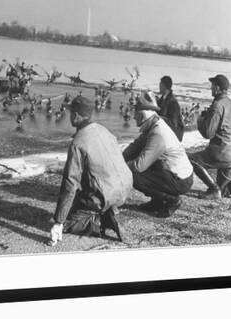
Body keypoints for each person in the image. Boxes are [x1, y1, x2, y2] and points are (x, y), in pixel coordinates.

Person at [50, 96, 132, 244]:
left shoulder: (78, 143)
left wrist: (58, 221)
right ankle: (109, 209)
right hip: (124, 189)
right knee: (80, 199)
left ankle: (102, 220)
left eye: (71, 113)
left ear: (75, 115)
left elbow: (70, 184)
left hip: (106, 194)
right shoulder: (104, 130)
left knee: (69, 223)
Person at [123, 91, 194, 217]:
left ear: (142, 115)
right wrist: (120, 158)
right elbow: (136, 145)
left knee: (133, 175)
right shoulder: (155, 124)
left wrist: (122, 166)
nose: (134, 117)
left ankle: (170, 200)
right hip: (181, 175)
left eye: (136, 114)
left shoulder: (157, 133)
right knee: (142, 161)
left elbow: (140, 166)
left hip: (180, 180)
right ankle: (157, 201)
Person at [189, 74, 231, 199]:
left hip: (220, 152)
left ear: (217, 88)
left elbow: (208, 134)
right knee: (223, 191)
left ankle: (213, 189)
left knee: (190, 160)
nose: (210, 88)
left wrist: (200, 119)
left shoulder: (217, 105)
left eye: (212, 86)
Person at [157, 75, 184, 141]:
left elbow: (173, 124)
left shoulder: (173, 102)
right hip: (165, 133)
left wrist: (160, 118)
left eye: (160, 85)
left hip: (173, 137)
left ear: (163, 86)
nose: (159, 87)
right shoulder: (161, 100)